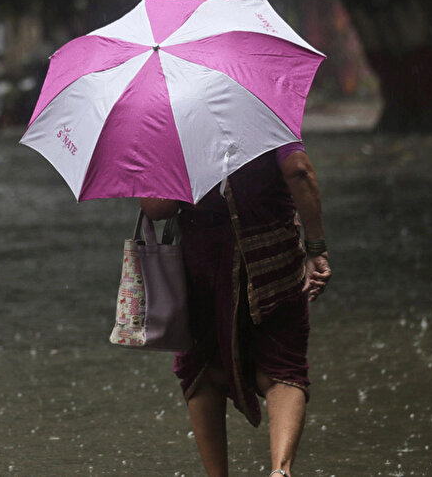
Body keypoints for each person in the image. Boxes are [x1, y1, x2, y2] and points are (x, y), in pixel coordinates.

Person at [141, 142, 332, 477]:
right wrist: (316, 246)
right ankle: (280, 470)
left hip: (203, 261)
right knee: (283, 364)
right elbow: (298, 171)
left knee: (201, 367)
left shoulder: (172, 124)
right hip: (273, 254)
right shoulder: (265, 107)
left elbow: (157, 207)